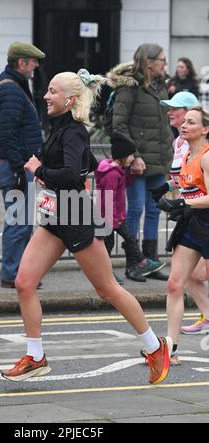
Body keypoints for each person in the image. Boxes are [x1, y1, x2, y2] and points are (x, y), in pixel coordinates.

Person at [0, 69, 172, 385]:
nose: (46, 96)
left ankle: (154, 346)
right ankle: (35, 356)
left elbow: (71, 176)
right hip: (54, 218)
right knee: (24, 283)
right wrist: (44, 171)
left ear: (70, 99)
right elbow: (84, 166)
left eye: (52, 91)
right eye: (47, 91)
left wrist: (42, 170)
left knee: (107, 289)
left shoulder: (74, 131)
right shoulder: (60, 127)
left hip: (77, 218)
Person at [106, 43, 174, 281]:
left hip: (159, 158)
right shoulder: (129, 88)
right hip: (138, 161)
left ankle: (150, 262)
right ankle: (133, 262)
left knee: (154, 210)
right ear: (149, 62)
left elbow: (164, 122)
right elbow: (120, 126)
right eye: (162, 60)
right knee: (135, 209)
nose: (166, 64)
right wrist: (132, 156)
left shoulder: (160, 87)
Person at [152, 92, 209, 341]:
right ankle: (170, 348)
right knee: (175, 284)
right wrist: (167, 190)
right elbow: (182, 181)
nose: (184, 125)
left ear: (205, 129)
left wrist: (184, 201)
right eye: (184, 122)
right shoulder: (185, 152)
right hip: (191, 222)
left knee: (198, 277)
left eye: (191, 122)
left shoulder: (206, 157)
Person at [0, 42, 45, 288]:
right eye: (33, 61)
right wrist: (18, 167)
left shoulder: (15, 85)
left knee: (22, 222)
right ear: (21, 62)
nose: (36, 66)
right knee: (18, 221)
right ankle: (12, 274)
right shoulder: (11, 90)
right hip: (17, 166)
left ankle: (21, 273)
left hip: (21, 165)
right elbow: (8, 134)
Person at [95, 132, 165, 282]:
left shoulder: (117, 172)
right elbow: (108, 199)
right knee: (108, 246)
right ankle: (106, 275)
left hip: (116, 218)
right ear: (122, 156)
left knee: (130, 239)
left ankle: (142, 262)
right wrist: (112, 221)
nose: (133, 158)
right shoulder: (111, 174)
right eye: (131, 155)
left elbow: (122, 185)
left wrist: (131, 176)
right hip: (108, 219)